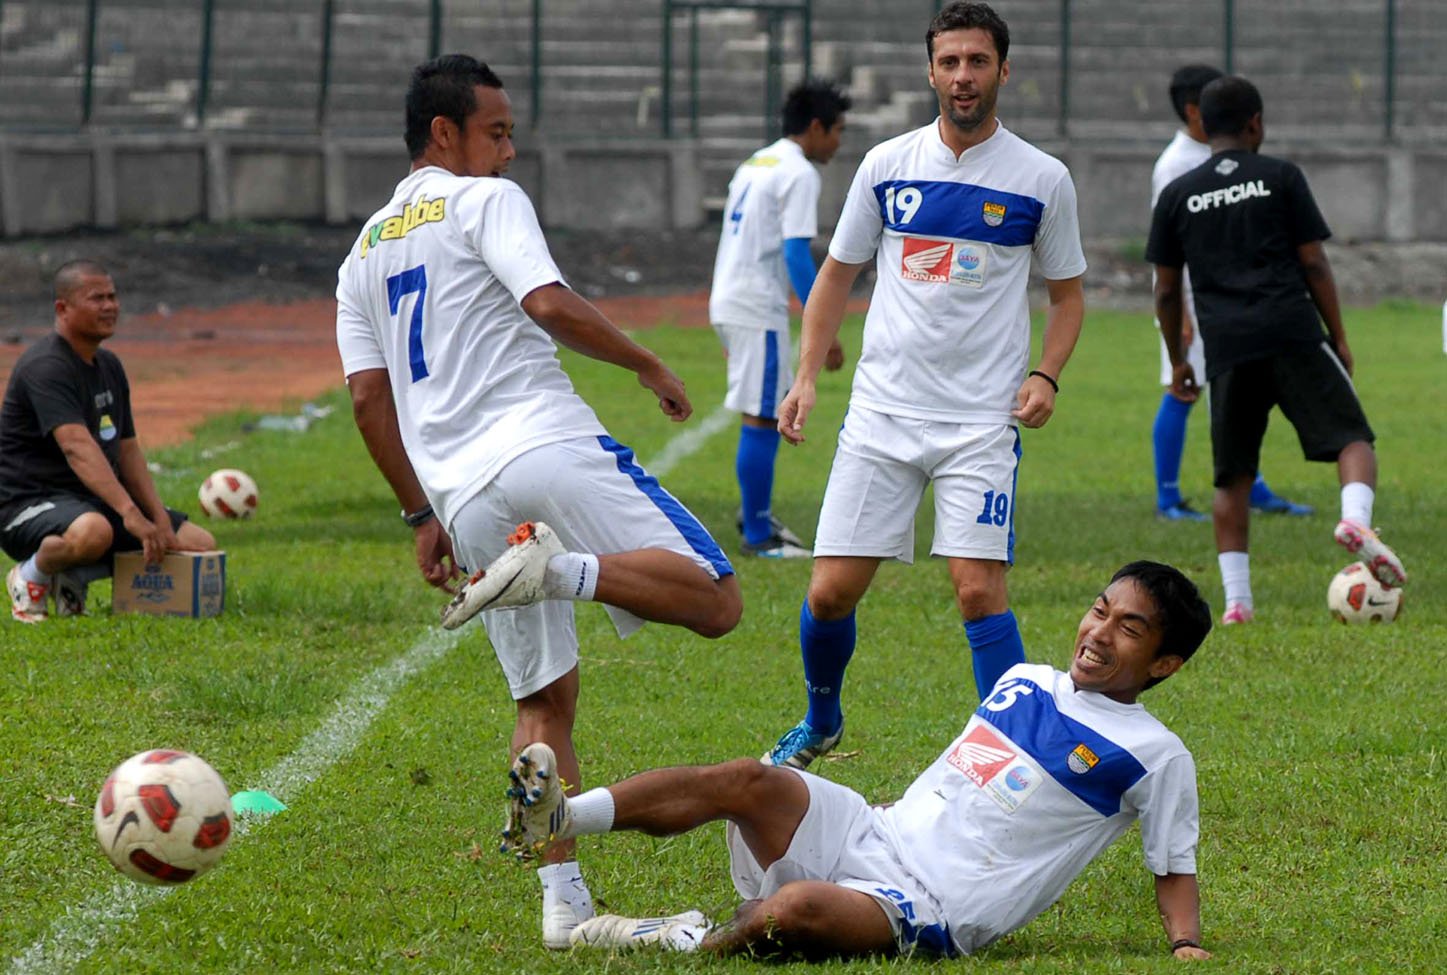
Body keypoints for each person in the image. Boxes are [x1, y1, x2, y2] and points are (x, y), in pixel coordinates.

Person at [334, 55, 742, 949]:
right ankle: (560, 572)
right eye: (497, 132)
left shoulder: (360, 253)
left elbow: (368, 399)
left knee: (543, 703)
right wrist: (645, 361)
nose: (510, 151)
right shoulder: (484, 202)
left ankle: (563, 905)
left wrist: (419, 513)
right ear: (444, 134)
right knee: (715, 598)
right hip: (543, 443)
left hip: (465, 495)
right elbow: (547, 301)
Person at [500, 561, 1214, 961]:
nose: (1097, 632)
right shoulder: (1024, 679)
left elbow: (1172, 865)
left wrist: (1184, 945)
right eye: (1098, 609)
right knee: (749, 778)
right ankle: (561, 814)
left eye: (1129, 627)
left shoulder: (1154, 754)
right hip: (872, 832)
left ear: (1165, 661)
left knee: (795, 910)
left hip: (929, 905)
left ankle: (685, 939)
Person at [762, 1, 1087, 768]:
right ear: (929, 70)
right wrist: (807, 377)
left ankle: (1005, 759)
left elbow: (1068, 295)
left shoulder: (1042, 178)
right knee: (828, 594)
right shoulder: (887, 166)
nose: (962, 77)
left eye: (977, 62)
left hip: (980, 420)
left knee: (977, 591)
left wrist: (1045, 373)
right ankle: (821, 719)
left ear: (1002, 70)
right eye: (949, 62)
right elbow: (836, 275)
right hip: (881, 414)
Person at [1146, 75, 1407, 625]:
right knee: (1353, 439)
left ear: (1201, 123)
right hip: (1291, 330)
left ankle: (1239, 602)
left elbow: (1166, 289)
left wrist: (1176, 360)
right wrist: (1337, 335)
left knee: (1231, 477)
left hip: (1226, 348)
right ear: (1256, 124)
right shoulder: (1281, 176)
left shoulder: (1178, 193)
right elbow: (1313, 262)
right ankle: (1355, 520)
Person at [0, 261, 216, 623]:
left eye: (113, 297)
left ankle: (74, 577)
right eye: (96, 298)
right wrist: (130, 514)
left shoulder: (109, 366)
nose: (110, 306)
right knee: (94, 531)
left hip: (90, 503)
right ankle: (31, 575)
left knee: (197, 543)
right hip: (27, 504)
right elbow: (77, 448)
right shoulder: (46, 366)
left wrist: (158, 517)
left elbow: (127, 449)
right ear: (62, 309)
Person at [1148, 65, 1311, 522]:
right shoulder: (1176, 166)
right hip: (1190, 305)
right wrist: (1178, 317)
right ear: (1194, 109)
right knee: (1182, 390)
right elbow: (1167, 252)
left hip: (1226, 301)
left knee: (1240, 393)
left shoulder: (1220, 157)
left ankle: (1252, 486)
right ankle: (1168, 498)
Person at [709, 78, 852, 558]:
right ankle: (756, 534)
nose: (837, 142)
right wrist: (823, 324)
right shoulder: (799, 173)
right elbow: (796, 254)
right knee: (765, 413)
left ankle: (757, 515)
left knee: (762, 407)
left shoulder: (757, 160)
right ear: (815, 128)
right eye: (836, 131)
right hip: (755, 303)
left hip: (728, 294)